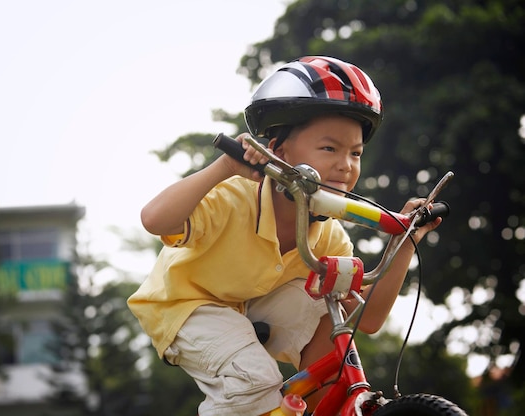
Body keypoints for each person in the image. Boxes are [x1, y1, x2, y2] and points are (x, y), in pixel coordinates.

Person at [127, 56, 442, 415]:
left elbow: (367, 320)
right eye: (330, 148)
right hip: (187, 306)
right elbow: (154, 219)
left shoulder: (329, 236)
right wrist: (226, 167)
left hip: (251, 300)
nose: (346, 164)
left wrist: (405, 242)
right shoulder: (234, 194)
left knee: (334, 318)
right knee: (254, 381)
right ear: (278, 151)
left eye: (356, 153)